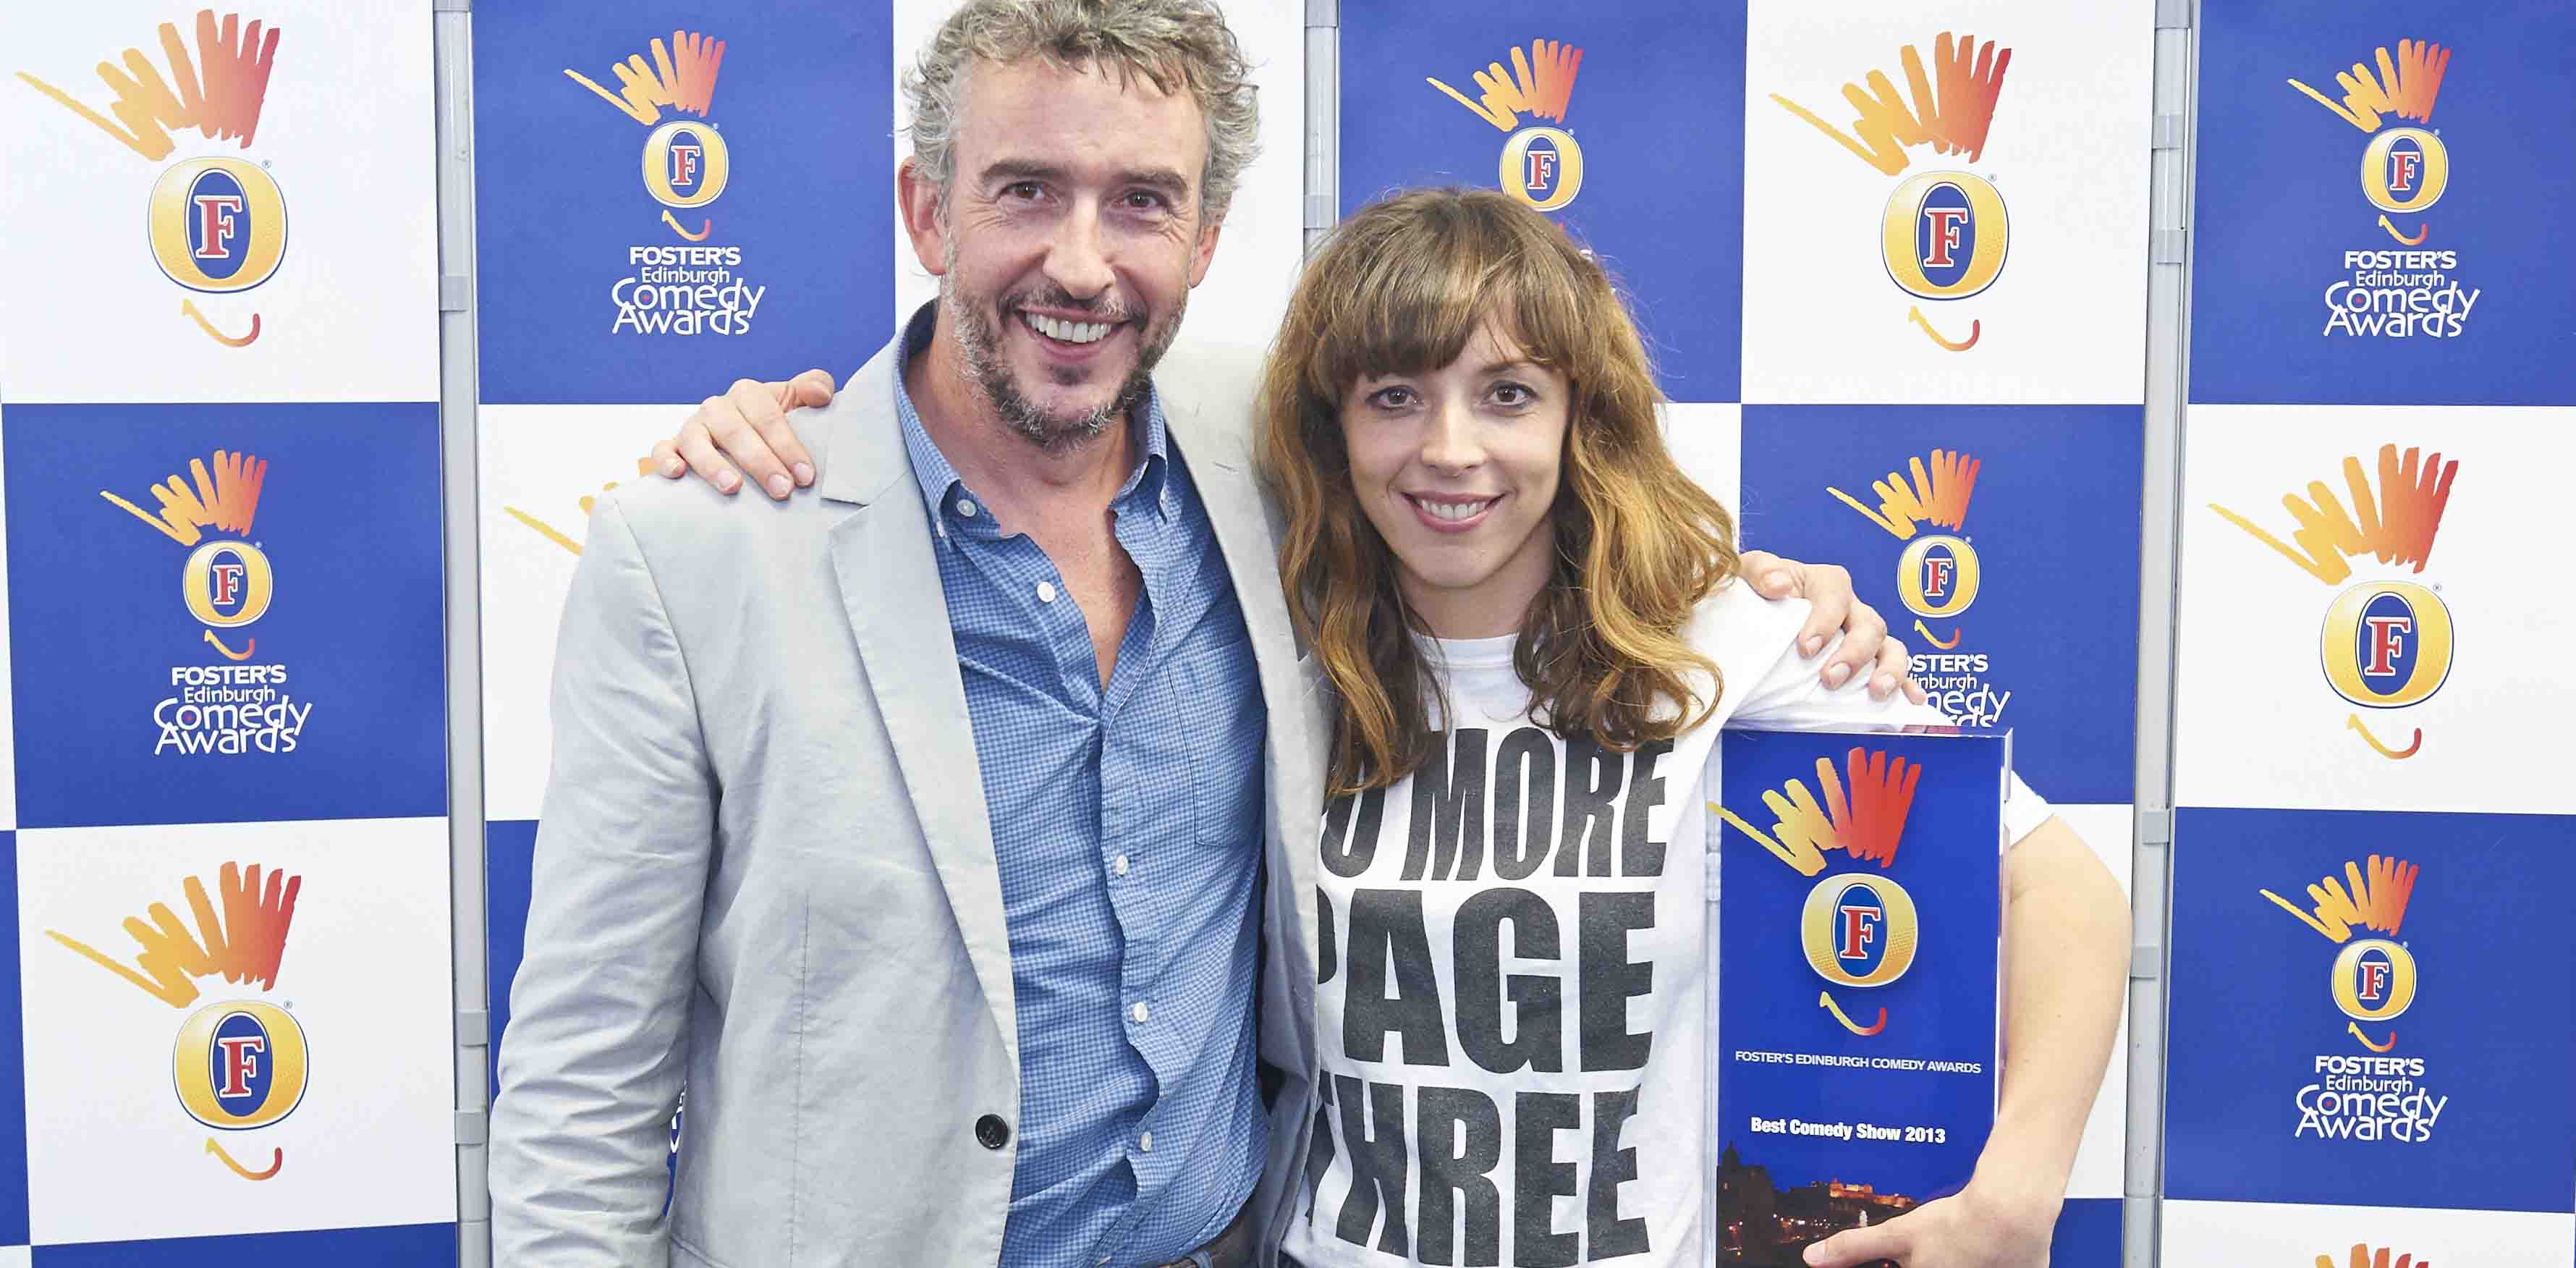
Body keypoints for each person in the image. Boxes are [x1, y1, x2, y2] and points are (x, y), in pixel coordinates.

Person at [489, 3, 1913, 1267]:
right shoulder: (704, 547)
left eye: (1142, 202)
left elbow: (1505, 483)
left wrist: (1751, 593)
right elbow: (582, 1089)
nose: (1082, 261)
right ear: (927, 212)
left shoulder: (1278, 448)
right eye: (1025, 190)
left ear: (1206, 239)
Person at [671, 186, 2126, 1267]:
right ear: (1332, 429)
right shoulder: (1277, 647)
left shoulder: (1737, 649)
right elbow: (1000, 420)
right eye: (1393, 397)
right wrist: (773, 433)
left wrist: (2019, 1187)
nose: (1449, 451)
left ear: (1580, 419)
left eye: (1506, 396)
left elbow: (2054, 889)